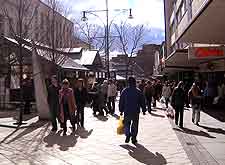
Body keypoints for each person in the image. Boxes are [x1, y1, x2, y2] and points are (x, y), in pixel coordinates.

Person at [119, 77, 146, 144]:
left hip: (127, 111)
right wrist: (144, 109)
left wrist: (121, 110)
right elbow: (142, 101)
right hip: (135, 111)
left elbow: (121, 101)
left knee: (126, 124)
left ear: (128, 83)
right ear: (135, 83)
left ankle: (128, 135)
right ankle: (133, 138)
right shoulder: (138, 91)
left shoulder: (125, 91)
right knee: (135, 124)